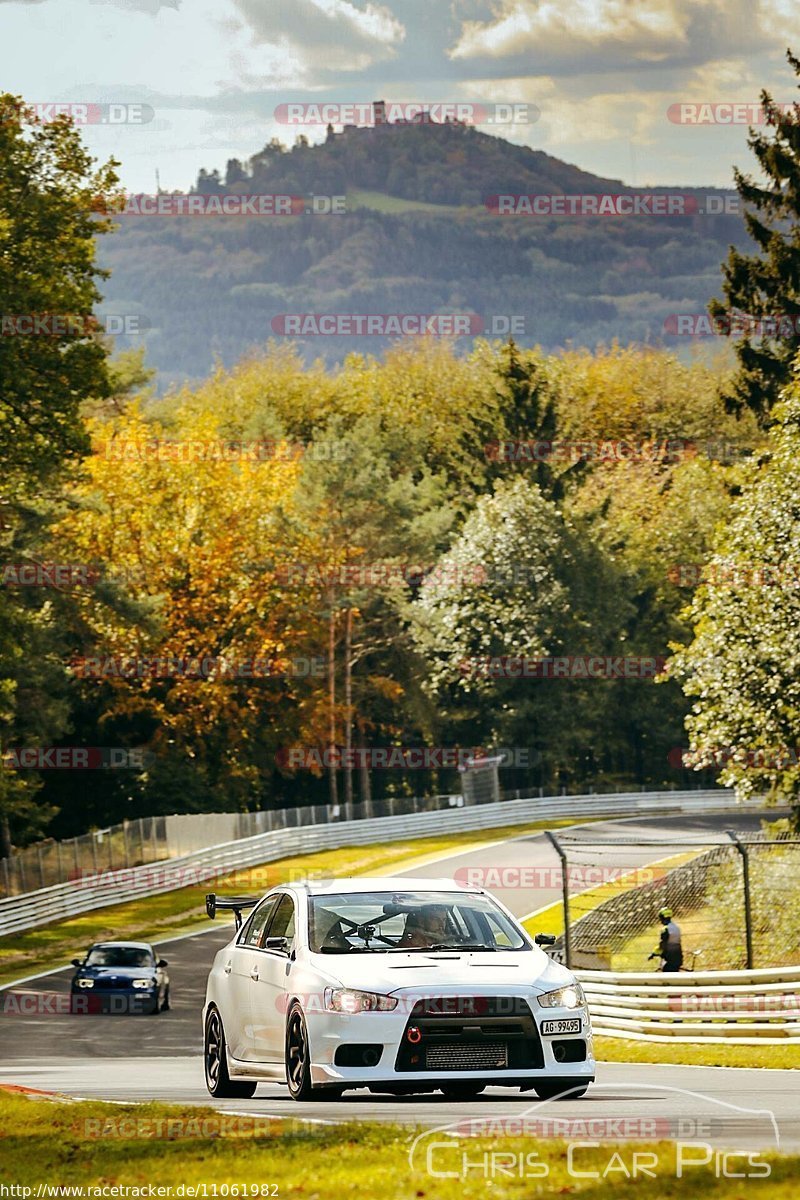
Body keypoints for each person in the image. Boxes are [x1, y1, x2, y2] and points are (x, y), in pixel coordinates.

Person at [649, 907, 683, 972]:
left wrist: (654, 953)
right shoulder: (676, 927)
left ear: (662, 918)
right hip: (678, 957)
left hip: (669, 958)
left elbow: (663, 944)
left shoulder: (665, 929)